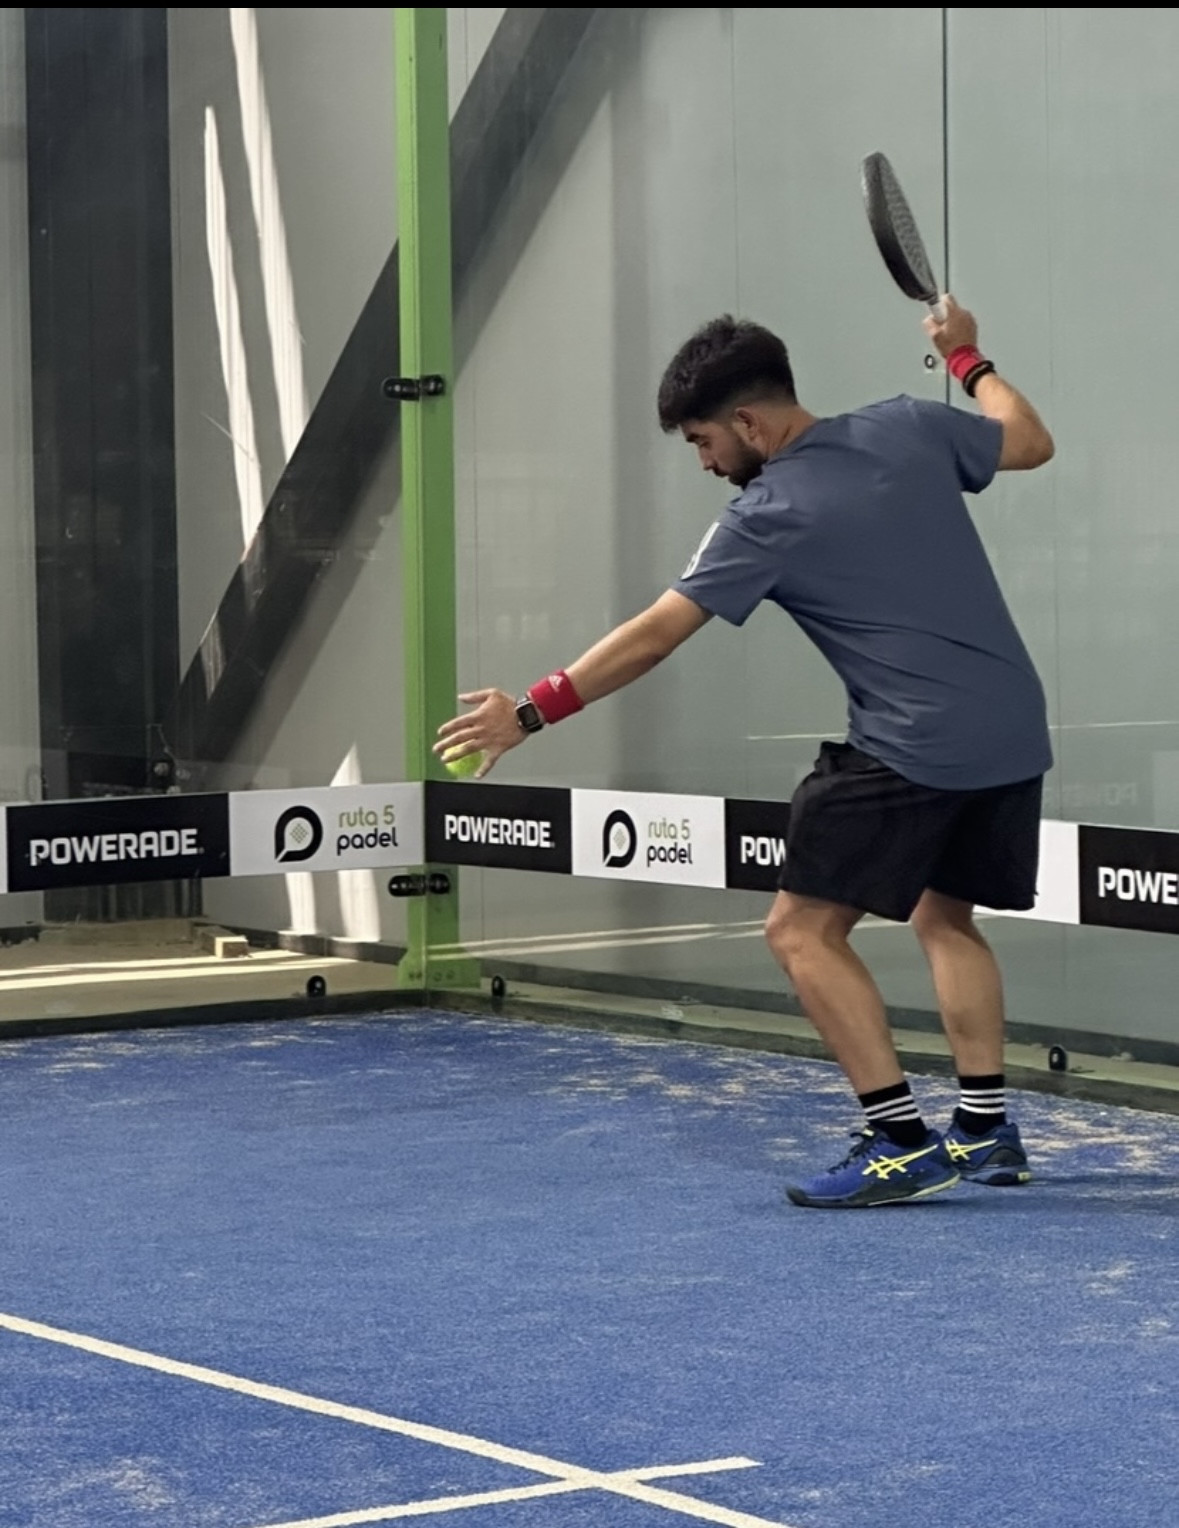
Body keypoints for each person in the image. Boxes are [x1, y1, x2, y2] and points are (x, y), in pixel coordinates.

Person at [435, 297, 1055, 1209]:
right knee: (944, 917)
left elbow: (654, 636)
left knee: (799, 932)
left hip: (912, 744)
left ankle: (898, 1143)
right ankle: (985, 1127)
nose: (703, 462)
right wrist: (966, 359)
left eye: (702, 441)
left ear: (748, 423)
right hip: (1011, 726)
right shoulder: (908, 426)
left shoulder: (765, 514)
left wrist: (528, 712)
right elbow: (1029, 441)